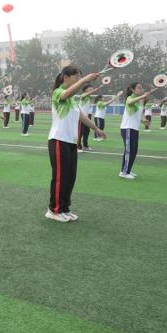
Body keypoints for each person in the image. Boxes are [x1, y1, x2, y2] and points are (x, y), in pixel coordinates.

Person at [46, 66, 106, 222]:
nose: (79, 79)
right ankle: (54, 210)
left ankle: (64, 208)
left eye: (80, 77)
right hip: (58, 140)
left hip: (70, 142)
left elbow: (82, 117)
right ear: (65, 77)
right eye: (76, 77)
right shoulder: (58, 93)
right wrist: (86, 79)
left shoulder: (73, 100)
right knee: (60, 177)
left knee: (70, 177)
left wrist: (97, 129)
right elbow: (66, 93)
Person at [119, 82, 157, 179]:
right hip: (128, 128)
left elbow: (134, 114)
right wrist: (142, 97)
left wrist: (142, 120)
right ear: (133, 89)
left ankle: (127, 170)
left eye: (141, 88)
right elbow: (129, 102)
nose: (141, 89)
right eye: (139, 88)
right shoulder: (130, 98)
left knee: (134, 151)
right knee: (129, 151)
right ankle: (123, 172)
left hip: (134, 128)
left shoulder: (138, 101)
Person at [76, 84, 101, 151]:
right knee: (80, 132)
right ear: (85, 89)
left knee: (87, 131)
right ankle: (78, 146)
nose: (91, 88)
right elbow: (84, 95)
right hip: (81, 117)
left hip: (86, 118)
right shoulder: (83, 95)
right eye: (90, 87)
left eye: (92, 87)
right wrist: (94, 90)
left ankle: (85, 145)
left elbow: (87, 106)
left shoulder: (88, 97)